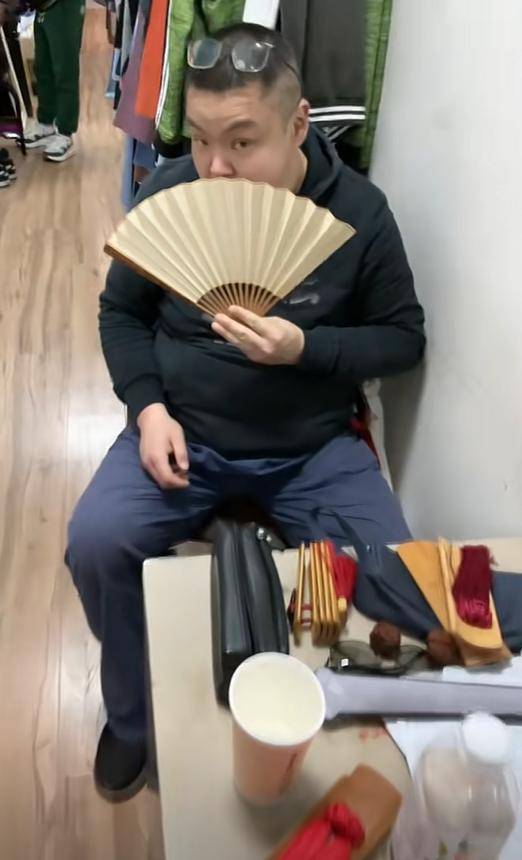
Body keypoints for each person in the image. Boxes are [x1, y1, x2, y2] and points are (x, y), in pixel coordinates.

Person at [66, 23, 426, 801]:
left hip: (311, 449)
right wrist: (148, 408)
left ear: (297, 124)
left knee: (394, 576)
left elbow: (403, 338)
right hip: (182, 433)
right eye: (200, 140)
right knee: (95, 542)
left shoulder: (359, 214)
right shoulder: (171, 189)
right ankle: (132, 717)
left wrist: (307, 348)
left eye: (241, 141)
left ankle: (324, 715)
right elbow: (120, 314)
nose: (216, 167)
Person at [20, 0, 85, 161]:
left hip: (65, 6)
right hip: (42, 6)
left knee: (64, 71)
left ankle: (65, 132)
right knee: (42, 68)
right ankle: (46, 123)